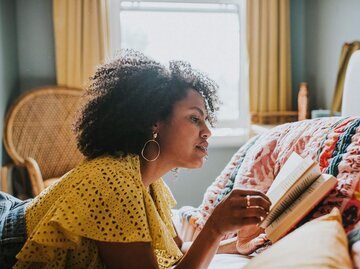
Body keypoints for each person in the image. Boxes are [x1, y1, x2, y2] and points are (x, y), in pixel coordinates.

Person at [0, 50, 271, 269]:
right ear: (155, 121)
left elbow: (176, 253)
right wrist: (214, 228)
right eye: (194, 118)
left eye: (205, 120)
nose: (207, 131)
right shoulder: (113, 181)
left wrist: (232, 245)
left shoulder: (148, 183)